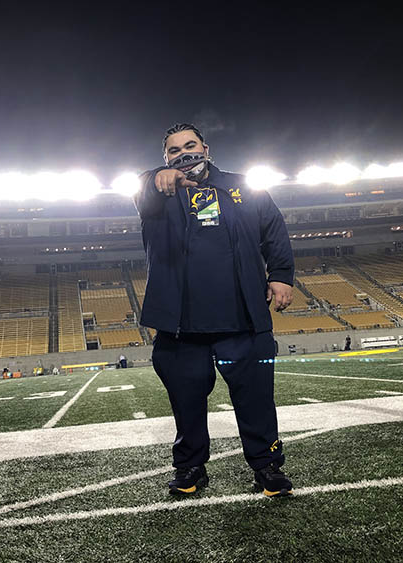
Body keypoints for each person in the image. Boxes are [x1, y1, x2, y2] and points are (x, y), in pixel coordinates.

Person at [134, 123, 295, 497]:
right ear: (165, 160)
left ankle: (267, 466)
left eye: (190, 145)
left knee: (256, 398)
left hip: (241, 316)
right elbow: (144, 189)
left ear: (206, 148)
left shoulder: (244, 187)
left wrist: (282, 275)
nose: (184, 154)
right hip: (180, 324)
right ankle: (190, 466)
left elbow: (274, 231)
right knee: (186, 402)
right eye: (174, 151)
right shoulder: (156, 193)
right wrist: (159, 177)